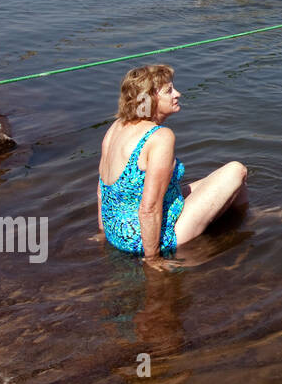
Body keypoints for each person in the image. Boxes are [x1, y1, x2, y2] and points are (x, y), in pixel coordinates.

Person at [97, 64, 248, 263]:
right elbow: (148, 208)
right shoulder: (159, 137)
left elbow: (102, 191)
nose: (177, 93)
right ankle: (247, 220)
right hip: (144, 241)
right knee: (237, 170)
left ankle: (246, 216)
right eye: (169, 91)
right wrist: (153, 259)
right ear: (149, 99)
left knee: (225, 183)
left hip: (115, 231)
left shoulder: (117, 127)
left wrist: (103, 234)